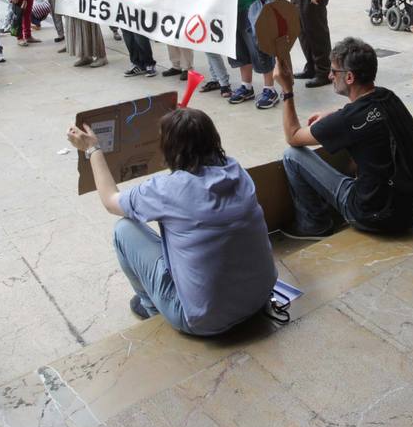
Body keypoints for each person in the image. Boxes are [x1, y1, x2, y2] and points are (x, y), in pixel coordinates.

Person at [66, 108, 276, 335]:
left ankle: (152, 308)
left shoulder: (167, 190)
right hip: (260, 296)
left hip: (206, 321)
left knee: (124, 229)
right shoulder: (236, 170)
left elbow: (110, 200)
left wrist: (93, 149)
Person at [276, 37, 413, 237]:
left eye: (333, 71)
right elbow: (364, 115)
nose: (330, 76)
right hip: (403, 212)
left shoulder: (347, 121)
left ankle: (314, 224)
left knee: (291, 155)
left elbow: (293, 135)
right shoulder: (388, 97)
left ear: (349, 77)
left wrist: (287, 90)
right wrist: (336, 113)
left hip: (369, 215)